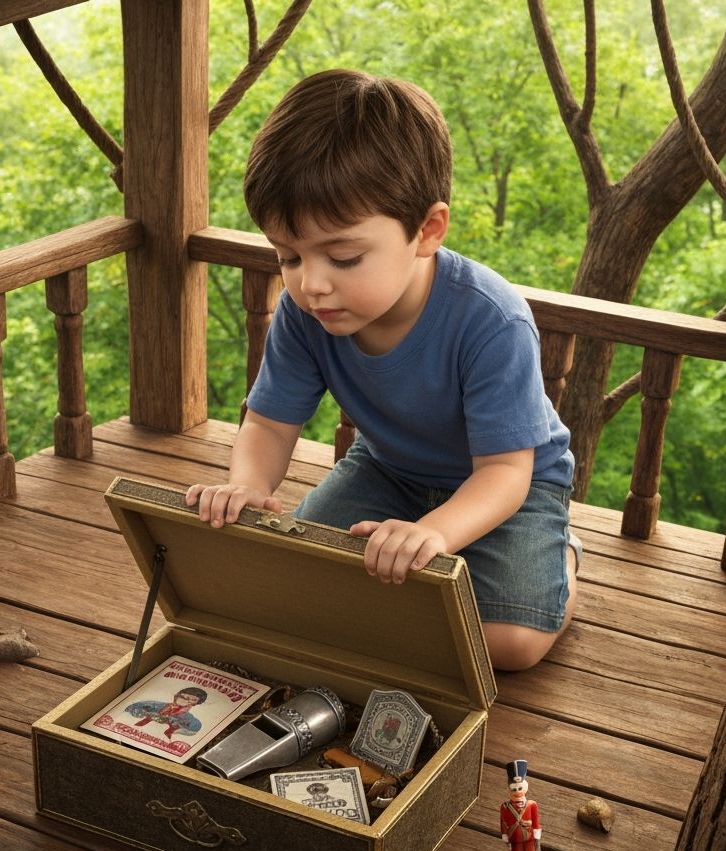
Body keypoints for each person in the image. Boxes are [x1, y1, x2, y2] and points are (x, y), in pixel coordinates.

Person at [186, 69, 579, 671]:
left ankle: (563, 563)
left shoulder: (492, 320)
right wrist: (249, 486)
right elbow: (268, 425)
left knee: (510, 646)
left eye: (343, 257)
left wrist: (437, 534)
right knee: (300, 578)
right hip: (388, 468)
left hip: (508, 487)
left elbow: (505, 471)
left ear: (426, 231)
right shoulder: (304, 311)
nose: (311, 283)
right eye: (288, 256)